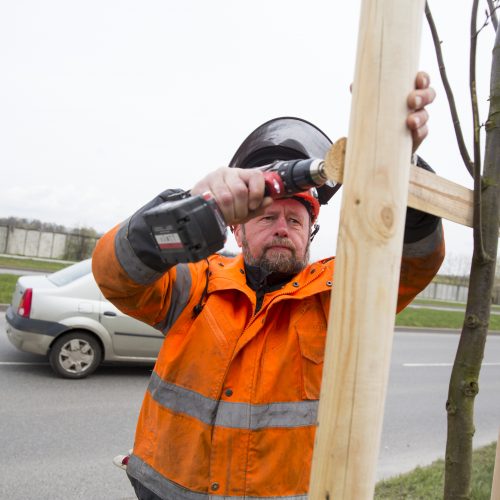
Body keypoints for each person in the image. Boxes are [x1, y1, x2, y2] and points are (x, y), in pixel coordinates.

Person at [93, 72, 445, 500]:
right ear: (238, 233)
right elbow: (115, 275)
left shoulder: (339, 297)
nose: (282, 228)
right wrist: (178, 209)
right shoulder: (196, 285)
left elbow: (413, 262)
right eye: (266, 218)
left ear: (310, 234)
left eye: (295, 220)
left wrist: (397, 164)